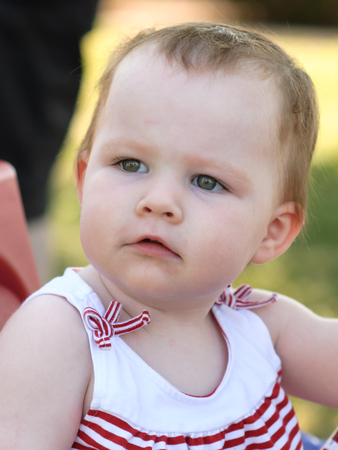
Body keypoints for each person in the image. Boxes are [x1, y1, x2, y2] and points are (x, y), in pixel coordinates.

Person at [0, 22, 336, 449]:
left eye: (206, 181)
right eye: (130, 164)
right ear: (85, 179)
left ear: (271, 232)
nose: (158, 201)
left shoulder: (257, 324)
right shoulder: (58, 336)